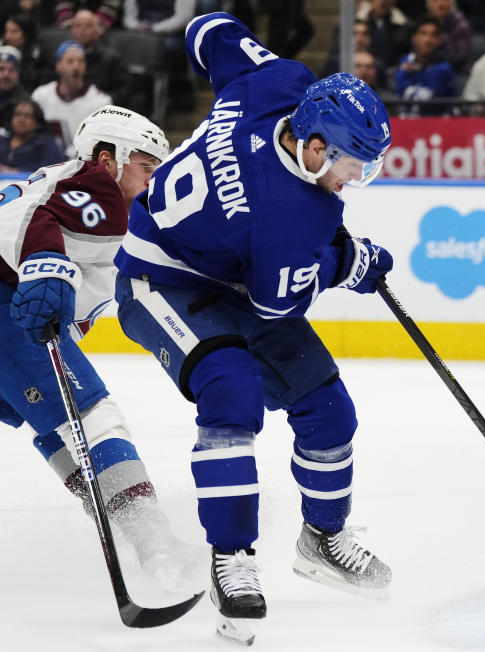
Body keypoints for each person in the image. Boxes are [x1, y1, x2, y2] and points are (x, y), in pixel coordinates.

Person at [112, 13, 394, 645]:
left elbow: (207, 29)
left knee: (328, 408)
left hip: (232, 270)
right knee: (233, 392)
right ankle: (231, 557)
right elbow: (276, 305)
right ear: (317, 147)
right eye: (354, 165)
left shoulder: (274, 84)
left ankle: (322, 537)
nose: (357, 180)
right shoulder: (289, 220)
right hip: (163, 282)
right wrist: (350, 262)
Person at [0, 104, 206, 592]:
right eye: (146, 164)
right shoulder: (97, 184)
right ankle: (152, 541)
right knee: (95, 414)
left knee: (49, 422)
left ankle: (128, 525)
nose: (154, 178)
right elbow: (27, 212)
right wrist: (45, 261)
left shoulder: (105, 202)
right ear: (109, 158)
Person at [31, 40, 110, 156]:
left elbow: (100, 145)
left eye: (80, 61)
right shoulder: (41, 96)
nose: (76, 66)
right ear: (58, 66)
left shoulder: (101, 101)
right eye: (70, 61)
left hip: (81, 167)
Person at [394, 14, 457, 117]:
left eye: (433, 35)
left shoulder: (444, 69)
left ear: (439, 40)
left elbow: (428, 98)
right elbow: (400, 89)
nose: (428, 40)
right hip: (404, 122)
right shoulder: (405, 61)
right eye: (423, 34)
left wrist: (418, 71)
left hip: (435, 124)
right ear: (414, 38)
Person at [0, 99, 64, 170]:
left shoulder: (47, 144)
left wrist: (16, 172)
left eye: (27, 116)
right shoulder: (2, 140)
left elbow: (52, 170)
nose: (21, 119)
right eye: (17, 114)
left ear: (37, 122)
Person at [0, 43, 28, 126]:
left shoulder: (25, 103)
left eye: (11, 70)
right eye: (1, 69)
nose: (6, 75)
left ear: (18, 73)